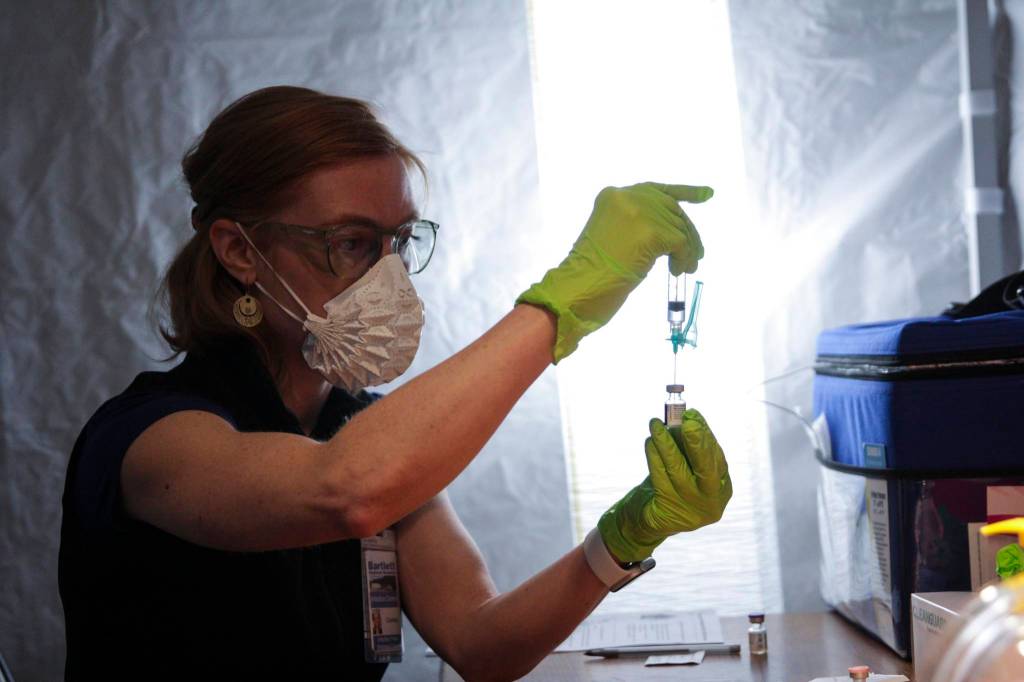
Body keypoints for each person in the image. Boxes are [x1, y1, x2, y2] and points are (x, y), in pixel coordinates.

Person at [58, 85, 732, 681]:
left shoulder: (357, 429)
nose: (390, 276)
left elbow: (481, 643)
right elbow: (345, 490)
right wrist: (565, 302)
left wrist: (621, 541)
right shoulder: (152, 436)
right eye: (351, 242)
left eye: (400, 242)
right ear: (240, 252)